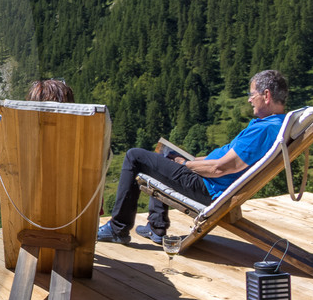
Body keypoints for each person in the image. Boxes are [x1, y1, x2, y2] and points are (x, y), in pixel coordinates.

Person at [98, 69, 289, 246]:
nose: (249, 100)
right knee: (165, 155)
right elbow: (227, 158)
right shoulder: (277, 124)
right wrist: (190, 160)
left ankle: (118, 229)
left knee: (134, 156)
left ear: (266, 95)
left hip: (208, 188)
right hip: (211, 181)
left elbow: (220, 169)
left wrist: (186, 164)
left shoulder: (263, 130)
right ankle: (156, 226)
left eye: (251, 94)